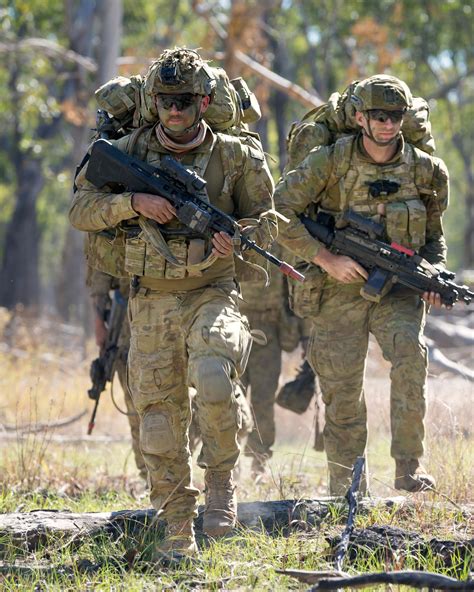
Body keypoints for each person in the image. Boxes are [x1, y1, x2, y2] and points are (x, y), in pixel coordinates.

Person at [70, 48, 275, 557]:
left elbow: (268, 224)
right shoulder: (129, 150)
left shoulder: (235, 156)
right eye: (165, 101)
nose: (175, 111)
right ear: (152, 101)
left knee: (211, 377)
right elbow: (81, 208)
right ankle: (177, 526)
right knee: (158, 421)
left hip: (214, 291)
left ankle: (221, 485)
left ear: (205, 101)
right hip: (151, 300)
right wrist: (133, 203)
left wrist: (239, 236)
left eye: (185, 101)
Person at [274, 75, 449, 495]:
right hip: (338, 288)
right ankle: (347, 486)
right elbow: (279, 211)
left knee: (410, 355)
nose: (387, 124)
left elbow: (434, 237)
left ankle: (408, 467)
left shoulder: (427, 171)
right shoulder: (330, 162)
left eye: (395, 117)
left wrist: (433, 275)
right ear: (359, 117)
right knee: (341, 385)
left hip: (399, 289)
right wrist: (326, 259)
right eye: (378, 116)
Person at [239, 243, 300, 478]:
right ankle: (227, 462)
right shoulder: (235, 230)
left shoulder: (280, 242)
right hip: (234, 325)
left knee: (263, 400)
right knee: (229, 398)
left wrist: (302, 333)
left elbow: (293, 289)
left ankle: (258, 462)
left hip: (269, 329)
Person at [87, 268, 148, 483]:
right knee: (135, 411)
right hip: (126, 333)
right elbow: (99, 278)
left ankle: (172, 479)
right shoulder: (112, 235)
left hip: (164, 322)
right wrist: (99, 325)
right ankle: (149, 478)